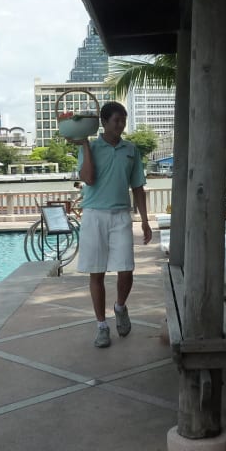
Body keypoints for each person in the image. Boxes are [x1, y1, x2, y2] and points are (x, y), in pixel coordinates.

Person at [70, 101, 152, 348]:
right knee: (97, 272)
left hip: (121, 215)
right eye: (116, 120)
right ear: (103, 123)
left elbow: (138, 185)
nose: (121, 125)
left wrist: (146, 220)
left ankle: (120, 307)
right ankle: (102, 326)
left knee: (126, 269)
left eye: (123, 120)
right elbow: (88, 178)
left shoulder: (131, 149)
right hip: (94, 215)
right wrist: (84, 144)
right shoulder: (90, 147)